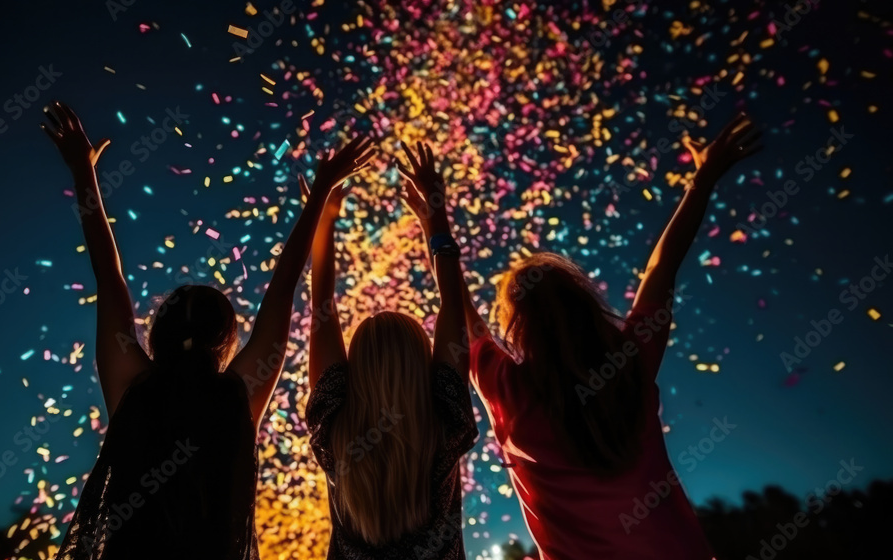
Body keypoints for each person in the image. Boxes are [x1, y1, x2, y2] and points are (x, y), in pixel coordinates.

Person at [41, 100, 375, 559]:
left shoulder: (131, 387)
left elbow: (109, 276)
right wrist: (320, 193)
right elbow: (283, 289)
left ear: (158, 332)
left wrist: (82, 171)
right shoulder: (238, 396)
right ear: (226, 339)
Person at [462, 114, 763, 559]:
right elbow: (664, 269)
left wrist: (437, 231)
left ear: (518, 324)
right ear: (583, 303)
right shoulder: (629, 363)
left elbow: (465, 320)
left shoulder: (510, 390)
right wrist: (701, 182)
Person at [305, 141, 478, 559]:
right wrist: (434, 217)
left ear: (356, 370)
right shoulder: (445, 422)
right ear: (422, 365)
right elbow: (454, 305)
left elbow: (322, 309)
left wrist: (323, 218)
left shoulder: (334, 429)